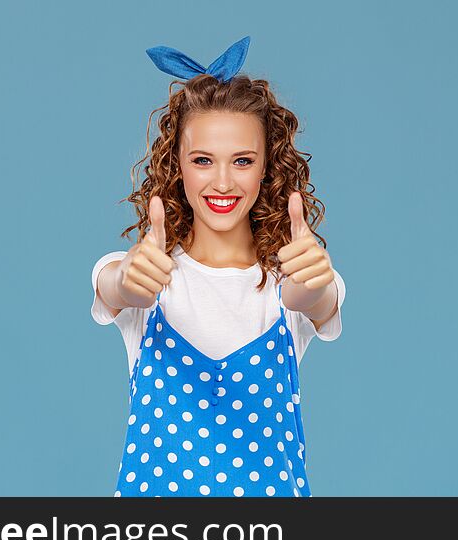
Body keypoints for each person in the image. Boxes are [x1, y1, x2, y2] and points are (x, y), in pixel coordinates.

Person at [90, 36, 346, 497]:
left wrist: (311, 288)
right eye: (203, 160)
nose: (223, 181)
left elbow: (318, 300)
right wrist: (128, 283)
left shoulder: (295, 277)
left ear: (268, 167)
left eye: (243, 161)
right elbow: (114, 287)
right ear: (177, 166)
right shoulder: (146, 274)